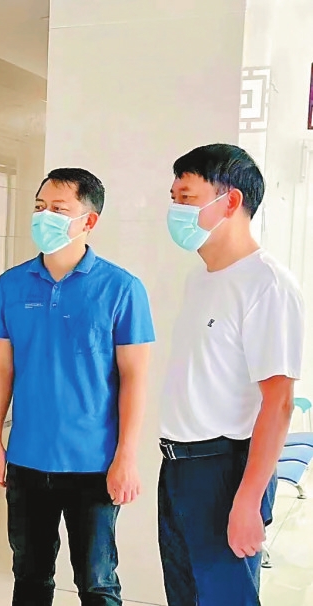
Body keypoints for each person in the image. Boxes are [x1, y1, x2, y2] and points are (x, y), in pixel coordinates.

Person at [0, 168, 155, 605]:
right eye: (39, 207)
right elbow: (0, 368)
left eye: (59, 209)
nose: (44, 217)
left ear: (89, 220)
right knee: (30, 577)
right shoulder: (12, 284)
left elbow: (135, 378)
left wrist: (126, 457)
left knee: (97, 582)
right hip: (27, 458)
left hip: (94, 463)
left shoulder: (121, 288)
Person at [159, 144, 304, 605]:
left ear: (231, 201)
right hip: (177, 465)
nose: (176, 210)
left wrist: (248, 499)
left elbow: (279, 402)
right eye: (174, 198)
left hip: (224, 470)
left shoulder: (267, 284)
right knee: (184, 595)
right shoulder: (200, 279)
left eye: (187, 197)